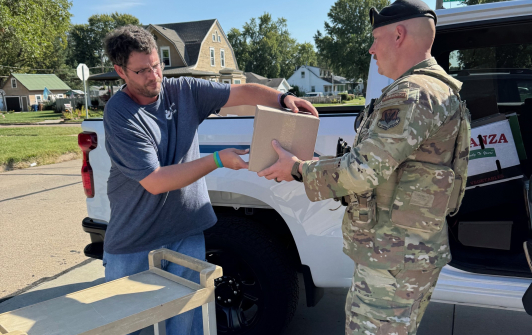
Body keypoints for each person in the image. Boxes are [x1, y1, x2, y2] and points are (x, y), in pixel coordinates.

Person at [257, 0, 471, 334]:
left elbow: (363, 171)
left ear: (398, 35)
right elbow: (387, 166)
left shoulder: (411, 94)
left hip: (393, 260)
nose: (371, 49)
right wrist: (316, 163)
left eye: (376, 38)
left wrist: (299, 169)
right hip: (408, 252)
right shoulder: (437, 87)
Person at [102, 25, 318, 335]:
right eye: (141, 71)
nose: (154, 77)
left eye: (156, 65)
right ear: (120, 71)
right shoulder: (121, 113)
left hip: (186, 232)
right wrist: (218, 160)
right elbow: (155, 181)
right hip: (135, 242)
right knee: (132, 329)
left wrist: (284, 100)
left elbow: (242, 92)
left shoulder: (183, 90)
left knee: (187, 327)